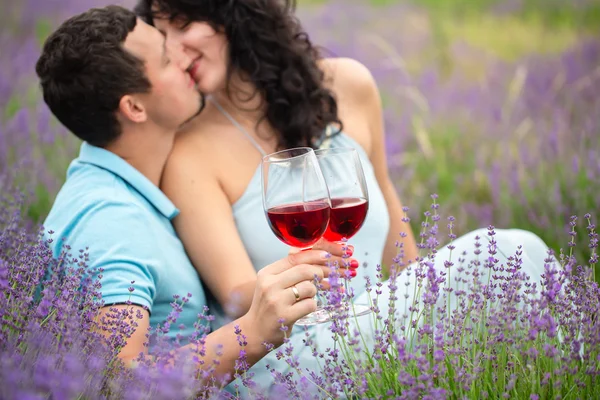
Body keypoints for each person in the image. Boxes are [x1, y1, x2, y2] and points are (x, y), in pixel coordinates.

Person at [134, 0, 553, 396]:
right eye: (162, 30)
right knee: (509, 249)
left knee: (512, 269)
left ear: (234, 14)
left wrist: (426, 301)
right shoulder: (189, 151)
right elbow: (235, 294)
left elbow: (395, 232)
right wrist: (305, 275)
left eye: (184, 24)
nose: (173, 46)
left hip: (385, 325)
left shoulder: (349, 85)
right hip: (296, 357)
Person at [36, 5, 353, 385]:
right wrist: (251, 332)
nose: (185, 61)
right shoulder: (109, 219)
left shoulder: (125, 194)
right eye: (168, 59)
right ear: (134, 107)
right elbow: (115, 384)